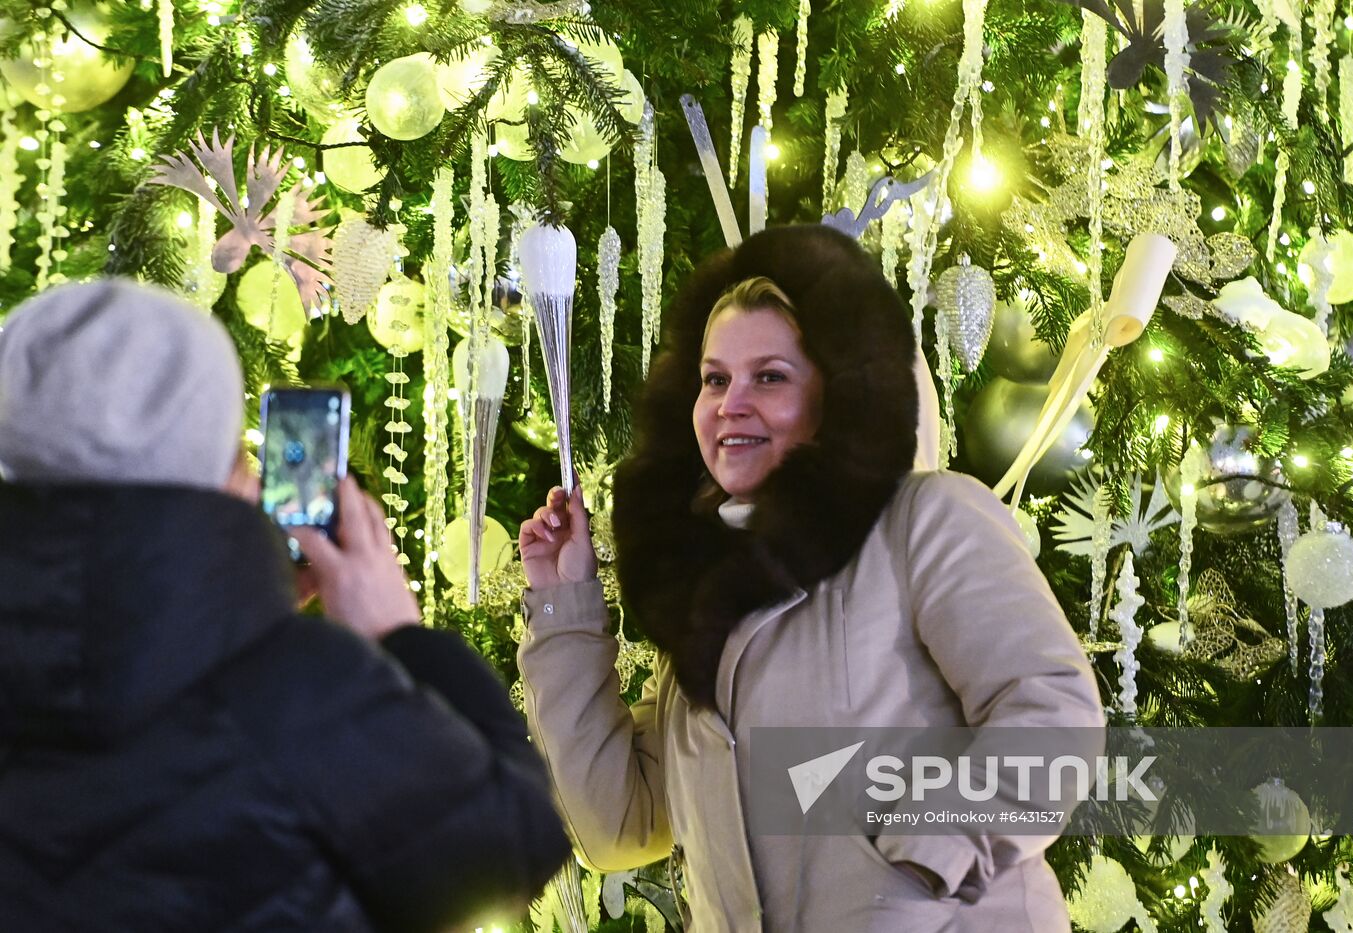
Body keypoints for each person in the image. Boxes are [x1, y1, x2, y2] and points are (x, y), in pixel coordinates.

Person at [517, 225, 1105, 931]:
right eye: (714, 378)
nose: (731, 403)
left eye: (770, 375)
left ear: (840, 394)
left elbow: (1053, 712)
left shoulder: (925, 520)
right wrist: (565, 606)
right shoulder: (711, 603)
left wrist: (931, 851)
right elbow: (617, 824)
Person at [0, 279, 570, 931]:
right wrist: (398, 631)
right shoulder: (294, 686)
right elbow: (511, 847)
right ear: (227, 470)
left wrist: (241, 605)